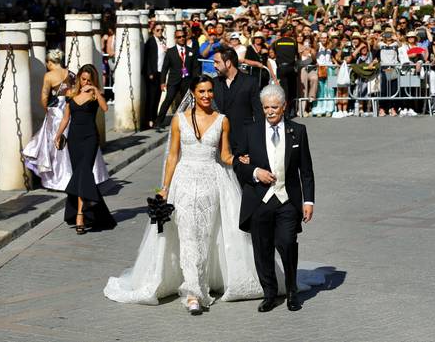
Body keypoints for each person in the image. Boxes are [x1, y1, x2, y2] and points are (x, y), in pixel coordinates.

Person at [104, 76, 269, 313]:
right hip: (183, 181)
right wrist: (165, 187)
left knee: (204, 234)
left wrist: (240, 160)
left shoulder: (222, 120)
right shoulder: (178, 120)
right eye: (201, 91)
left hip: (211, 183)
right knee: (188, 235)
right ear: (193, 92)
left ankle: (201, 283)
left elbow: (224, 155)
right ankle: (193, 292)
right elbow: (173, 156)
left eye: (210, 91)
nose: (206, 96)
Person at [234, 85, 315, 313]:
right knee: (262, 249)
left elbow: (306, 170)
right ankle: (269, 294)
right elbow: (237, 162)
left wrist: (308, 201)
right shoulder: (250, 131)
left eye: (274, 107)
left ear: (284, 107)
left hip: (287, 199)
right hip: (259, 200)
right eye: (266, 107)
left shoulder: (297, 131)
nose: (269, 112)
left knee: (287, 244)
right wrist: (254, 172)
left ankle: (291, 291)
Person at [23, 50, 109, 191]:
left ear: (50, 62)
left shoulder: (49, 76)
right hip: (73, 110)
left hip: (57, 111)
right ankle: (77, 179)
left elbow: (44, 98)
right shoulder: (70, 73)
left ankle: (58, 180)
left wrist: (48, 111)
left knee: (56, 149)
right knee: (72, 148)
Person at [53, 64, 116, 234]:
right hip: (74, 140)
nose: (86, 82)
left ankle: (80, 214)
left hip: (90, 139)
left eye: (89, 79)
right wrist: (58, 135)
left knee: (84, 172)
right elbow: (66, 119)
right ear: (79, 78)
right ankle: (97, 213)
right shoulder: (71, 94)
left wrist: (95, 89)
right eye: (84, 79)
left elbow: (105, 108)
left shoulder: (95, 94)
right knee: (81, 176)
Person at [212, 49, 264, 154]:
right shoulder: (214, 83)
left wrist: (259, 138)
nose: (214, 65)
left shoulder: (250, 82)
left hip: (243, 140)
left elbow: (258, 112)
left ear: (228, 63)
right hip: (219, 141)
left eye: (217, 62)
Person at [156, 27, 199, 131]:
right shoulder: (170, 52)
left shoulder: (191, 51)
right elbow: (165, 68)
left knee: (188, 102)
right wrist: (162, 82)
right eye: (179, 37)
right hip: (173, 80)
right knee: (168, 100)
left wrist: (195, 81)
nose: (181, 39)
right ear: (175, 39)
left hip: (187, 81)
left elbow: (195, 67)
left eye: (183, 36)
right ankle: (159, 122)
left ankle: (188, 122)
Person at [143, 23, 167, 129]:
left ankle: (154, 117)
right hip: (153, 73)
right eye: (158, 30)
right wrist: (149, 73)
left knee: (157, 96)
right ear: (153, 31)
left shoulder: (162, 41)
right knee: (151, 97)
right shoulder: (151, 41)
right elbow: (147, 58)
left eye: (161, 30)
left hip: (160, 72)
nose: (160, 32)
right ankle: (149, 119)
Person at [272, 27, 299, 119]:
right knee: (292, 90)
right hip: (291, 68)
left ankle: (285, 113)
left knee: (284, 91)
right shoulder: (293, 41)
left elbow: (274, 54)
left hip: (281, 68)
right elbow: (296, 54)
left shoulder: (276, 42)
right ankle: (291, 111)